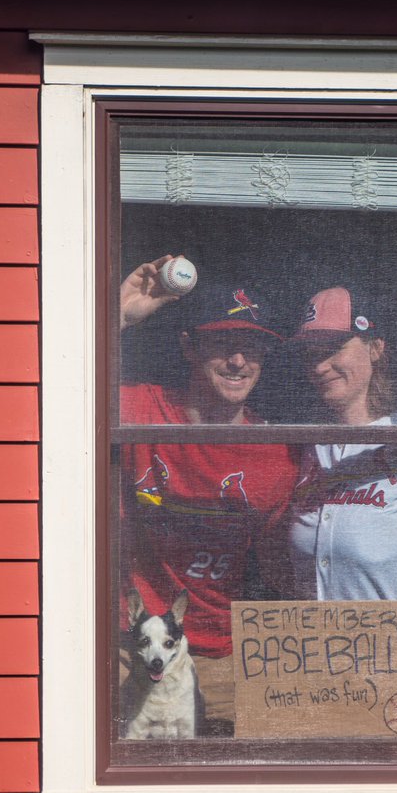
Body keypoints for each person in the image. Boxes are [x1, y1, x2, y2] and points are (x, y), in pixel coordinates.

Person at [118, 254, 298, 734]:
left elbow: (289, 567)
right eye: (223, 344)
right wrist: (116, 316)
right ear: (188, 347)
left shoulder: (279, 453)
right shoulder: (142, 407)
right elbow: (57, 380)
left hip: (224, 652)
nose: (238, 361)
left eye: (251, 348)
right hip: (133, 646)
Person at [288, 285, 397, 601]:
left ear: (375, 348)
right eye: (310, 353)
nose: (319, 366)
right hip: (306, 645)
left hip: (392, 646)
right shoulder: (303, 443)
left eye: (334, 347)